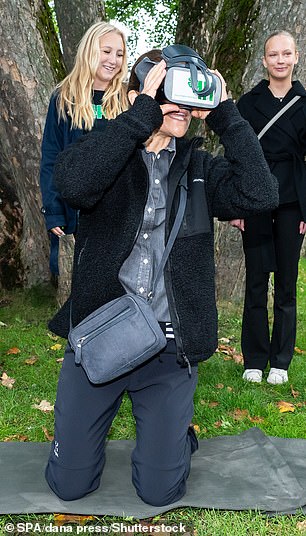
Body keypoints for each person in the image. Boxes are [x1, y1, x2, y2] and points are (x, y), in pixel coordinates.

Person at [45, 48, 278, 506]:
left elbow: (261, 193)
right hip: (101, 338)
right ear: (138, 96)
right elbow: (72, 185)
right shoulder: (108, 153)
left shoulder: (199, 167)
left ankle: (174, 439)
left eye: (187, 94)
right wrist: (140, 117)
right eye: (165, 88)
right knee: (68, 485)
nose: (180, 105)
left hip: (169, 351)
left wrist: (228, 116)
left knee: (159, 491)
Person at [230, 30, 306, 384]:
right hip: (256, 201)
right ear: (264, 60)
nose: (280, 60)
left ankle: (280, 360)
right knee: (256, 282)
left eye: (286, 54)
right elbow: (236, 157)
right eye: (273, 54)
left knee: (287, 285)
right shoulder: (248, 103)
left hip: (293, 202)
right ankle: (254, 360)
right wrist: (238, 205)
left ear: (295, 57)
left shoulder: (305, 103)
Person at [39, 21, 128, 275]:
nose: (113, 60)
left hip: (117, 211)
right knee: (78, 281)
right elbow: (51, 158)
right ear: (89, 50)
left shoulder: (127, 99)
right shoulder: (64, 98)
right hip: (76, 211)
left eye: (120, 54)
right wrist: (54, 211)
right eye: (106, 51)